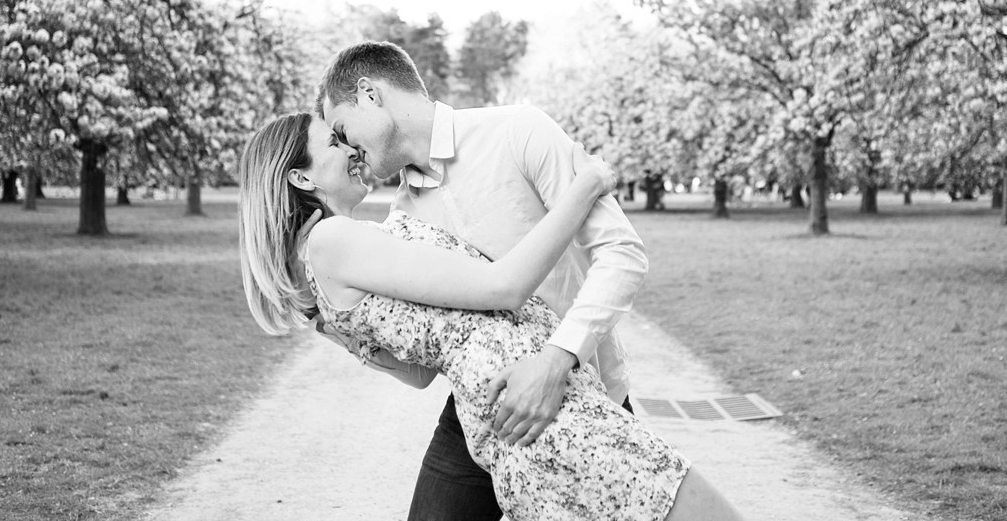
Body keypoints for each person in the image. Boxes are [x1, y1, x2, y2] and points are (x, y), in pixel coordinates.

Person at [237, 111, 744, 520]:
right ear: (300, 176)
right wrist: (586, 185)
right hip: (539, 403)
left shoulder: (312, 268)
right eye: (333, 143)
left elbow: (417, 375)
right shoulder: (334, 240)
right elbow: (504, 287)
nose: (350, 151)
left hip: (501, 408)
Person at [316, 41, 648, 519]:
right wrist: (337, 325)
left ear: (370, 94)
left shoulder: (519, 132)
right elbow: (421, 371)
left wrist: (556, 362)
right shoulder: (402, 219)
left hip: (583, 390)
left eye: (343, 129)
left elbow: (623, 253)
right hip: (479, 407)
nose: (347, 149)